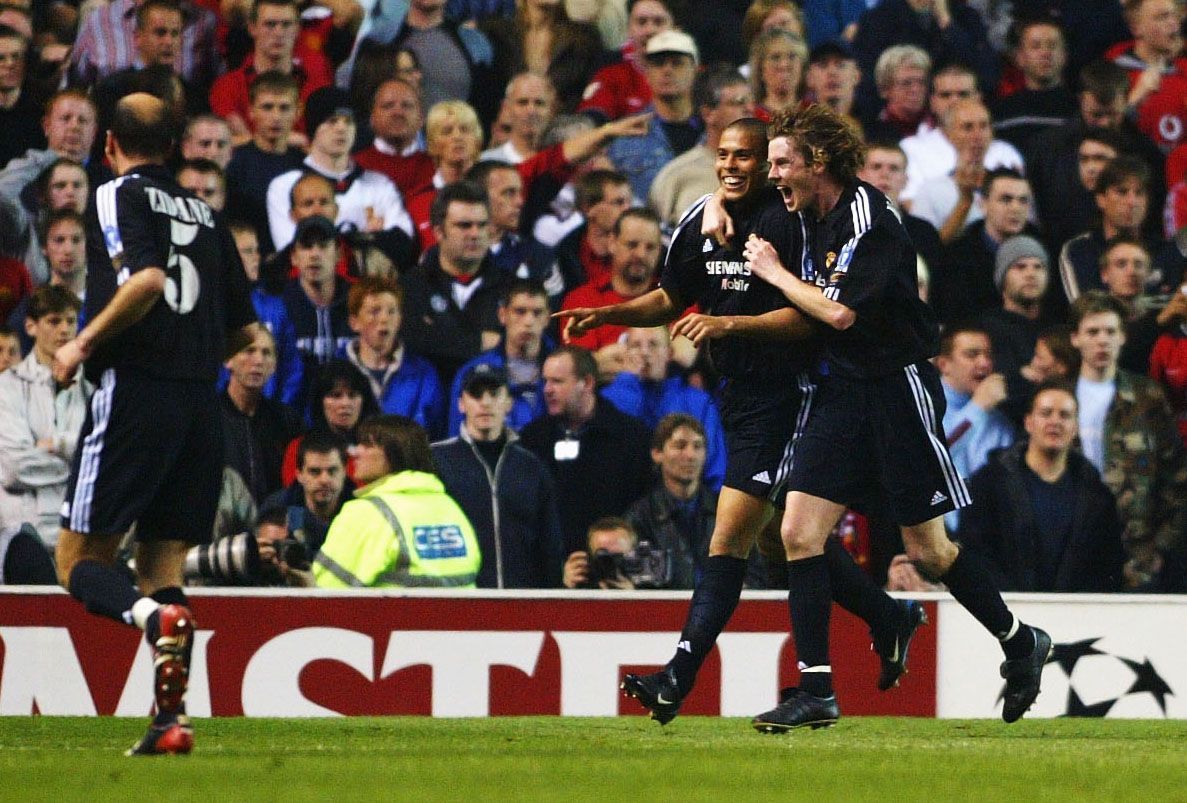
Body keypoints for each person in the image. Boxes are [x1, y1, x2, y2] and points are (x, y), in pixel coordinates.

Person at [556, 117, 923, 726]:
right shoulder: (702, 219)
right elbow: (674, 296)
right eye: (723, 154)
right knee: (782, 540)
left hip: (792, 393)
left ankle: (680, 678)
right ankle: (887, 617)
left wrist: (726, 325)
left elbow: (807, 316)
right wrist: (609, 314)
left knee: (735, 537)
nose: (731, 165)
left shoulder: (792, 224)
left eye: (746, 157)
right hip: (741, 397)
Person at [738, 103, 1050, 730]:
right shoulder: (810, 211)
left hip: (896, 388)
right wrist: (723, 209)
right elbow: (746, 210)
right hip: (841, 390)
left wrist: (771, 272)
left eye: (781, 162)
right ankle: (818, 690)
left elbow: (839, 314)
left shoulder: (869, 216)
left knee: (929, 549)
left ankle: (1019, 640)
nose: (772, 175)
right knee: (796, 532)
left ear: (817, 162)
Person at [51, 94, 256, 755]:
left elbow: (142, 281)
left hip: (136, 394)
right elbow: (247, 331)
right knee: (163, 563)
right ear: (173, 147)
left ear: (109, 143)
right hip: (201, 405)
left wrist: (79, 346)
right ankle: (171, 718)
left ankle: (151, 619)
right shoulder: (207, 215)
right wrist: (192, 362)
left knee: (77, 560)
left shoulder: (118, 195)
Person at [958, 382, 1126, 592]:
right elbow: (976, 554)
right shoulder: (989, 484)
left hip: (1077, 615)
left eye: (1064, 415)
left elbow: (1108, 565)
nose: (1055, 421)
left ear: (1075, 428)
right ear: (1028, 422)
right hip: (1006, 612)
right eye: (1046, 413)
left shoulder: (1097, 495)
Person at [1070, 291, 1187, 590]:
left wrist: (1160, 547)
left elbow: (1177, 478)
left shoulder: (1148, 398)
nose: (1102, 340)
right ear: (1075, 338)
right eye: (1092, 332)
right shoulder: (1059, 398)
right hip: (1072, 549)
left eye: (1110, 331)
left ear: (1123, 337)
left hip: (1137, 556)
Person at [432, 365, 564, 588]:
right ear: (461, 404)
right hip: (461, 600)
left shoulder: (530, 465)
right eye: (476, 395)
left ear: (509, 403)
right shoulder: (436, 459)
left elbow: (549, 542)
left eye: (494, 394)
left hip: (522, 602)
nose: (485, 402)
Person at [313, 414, 482, 588]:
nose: (355, 452)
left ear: (394, 454)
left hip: (390, 616)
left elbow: (325, 594)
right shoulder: (450, 507)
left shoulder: (367, 513)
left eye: (367, 445)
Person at [518, 345, 651, 554]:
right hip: (552, 570)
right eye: (545, 381)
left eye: (558, 381)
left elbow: (642, 509)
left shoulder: (631, 437)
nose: (547, 389)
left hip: (613, 562)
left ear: (587, 382)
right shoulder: (532, 439)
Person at [624, 413, 766, 590]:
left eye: (698, 446)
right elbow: (642, 583)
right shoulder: (640, 517)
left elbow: (755, 573)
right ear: (657, 453)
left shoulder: (728, 510)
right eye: (680, 446)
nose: (690, 455)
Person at [0, 286, 91, 546]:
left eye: (71, 321)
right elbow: (15, 467)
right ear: (31, 327)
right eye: (54, 321)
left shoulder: (94, 389)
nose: (64, 330)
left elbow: (109, 457)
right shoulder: (6, 387)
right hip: (22, 532)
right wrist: (79, 465)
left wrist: (57, 445)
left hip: (80, 534)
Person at [401, 180, 509, 385]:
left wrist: (442, 338)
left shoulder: (511, 287)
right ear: (438, 232)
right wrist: (479, 342)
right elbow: (412, 342)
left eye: (482, 225)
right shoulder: (411, 285)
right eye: (464, 225)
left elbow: (520, 347)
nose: (475, 234)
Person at [601, 326, 726, 491]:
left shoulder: (697, 401)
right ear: (625, 353)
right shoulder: (608, 398)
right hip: (627, 497)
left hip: (691, 500)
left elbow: (715, 466)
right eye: (636, 346)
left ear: (669, 353)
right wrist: (629, 383)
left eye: (653, 344)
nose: (644, 353)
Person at [649, 65, 753, 230]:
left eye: (750, 101)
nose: (749, 109)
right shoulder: (676, 176)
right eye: (738, 102)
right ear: (708, 114)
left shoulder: (770, 167)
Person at [935, 323, 1016, 531]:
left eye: (988, 355)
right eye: (972, 355)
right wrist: (977, 408)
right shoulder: (923, 406)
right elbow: (933, 458)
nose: (984, 363)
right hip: (936, 535)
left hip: (984, 536)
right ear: (944, 364)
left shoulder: (999, 421)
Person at [340, 275, 444, 436]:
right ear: (354, 322)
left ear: (400, 320)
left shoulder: (424, 373)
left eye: (391, 312)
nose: (384, 319)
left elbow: (437, 434)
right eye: (374, 311)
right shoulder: (336, 370)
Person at [447, 279, 553, 435]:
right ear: (503, 315)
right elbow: (457, 437)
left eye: (537, 313)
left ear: (547, 318)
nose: (529, 321)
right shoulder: (471, 372)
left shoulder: (564, 370)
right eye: (520, 311)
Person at [220, 324, 304, 504]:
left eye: (266, 353)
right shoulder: (208, 417)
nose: (258, 360)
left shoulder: (287, 420)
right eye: (249, 351)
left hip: (275, 524)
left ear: (274, 366)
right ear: (228, 360)